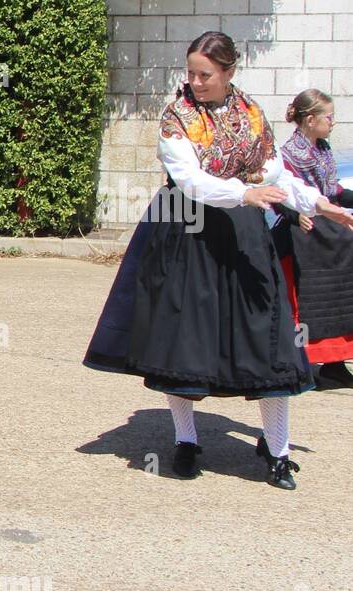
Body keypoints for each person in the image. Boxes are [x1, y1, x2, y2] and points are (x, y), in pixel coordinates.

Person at [82, 32, 353, 490]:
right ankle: (186, 440)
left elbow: (276, 174)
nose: (195, 81)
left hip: (244, 235)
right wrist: (243, 192)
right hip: (186, 234)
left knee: (269, 340)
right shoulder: (178, 116)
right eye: (190, 72)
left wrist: (319, 204)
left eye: (204, 74)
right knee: (182, 340)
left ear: (228, 73)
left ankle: (277, 448)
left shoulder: (250, 113)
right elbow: (189, 180)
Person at [270, 88, 353, 389]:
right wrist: (295, 216)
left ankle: (334, 363)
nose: (333, 122)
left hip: (329, 232)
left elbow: (332, 192)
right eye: (328, 117)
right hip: (301, 236)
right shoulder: (288, 154)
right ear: (309, 119)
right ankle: (300, 361)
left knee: (341, 294)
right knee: (302, 303)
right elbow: (280, 194)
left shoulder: (323, 149)